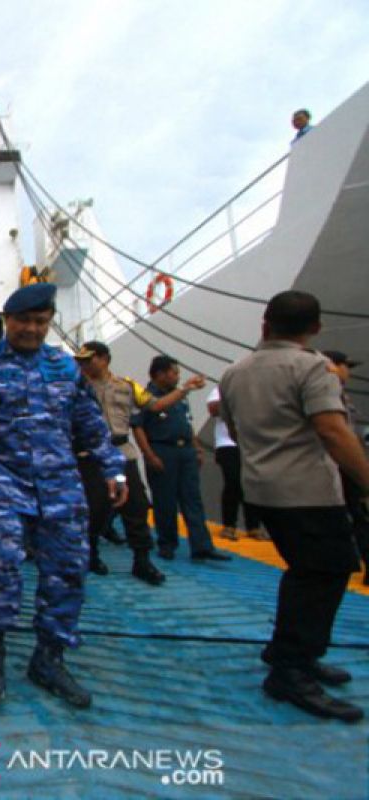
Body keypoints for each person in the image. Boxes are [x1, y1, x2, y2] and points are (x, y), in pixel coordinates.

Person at [0, 284, 126, 710]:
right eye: (24, 321)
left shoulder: (64, 366)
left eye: (41, 322)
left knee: (69, 568)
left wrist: (113, 465)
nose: (32, 329)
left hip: (59, 482)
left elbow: (89, 421)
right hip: (1, 478)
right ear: (7, 319)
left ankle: (49, 658)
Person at [220, 291, 369, 723]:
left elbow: (233, 427)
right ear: (316, 329)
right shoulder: (312, 367)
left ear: (264, 324)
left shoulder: (234, 373)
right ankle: (291, 667)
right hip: (307, 491)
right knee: (329, 570)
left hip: (262, 489)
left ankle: (289, 653)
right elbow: (333, 431)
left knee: (306, 571)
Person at [72, 341, 166, 585]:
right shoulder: (76, 387)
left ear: (104, 359)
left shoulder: (126, 386)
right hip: (90, 454)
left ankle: (142, 560)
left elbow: (155, 406)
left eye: (89, 359)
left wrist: (184, 390)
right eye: (80, 360)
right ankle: (90, 553)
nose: (83, 364)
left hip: (123, 451)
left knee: (136, 505)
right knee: (94, 507)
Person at [135, 355, 230, 562]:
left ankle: (202, 546)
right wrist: (149, 454)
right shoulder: (145, 395)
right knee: (165, 501)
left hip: (184, 450)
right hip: (162, 450)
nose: (178, 377)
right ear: (160, 374)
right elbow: (138, 427)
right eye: (174, 373)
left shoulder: (179, 396)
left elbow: (187, 423)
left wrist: (196, 449)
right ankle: (167, 544)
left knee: (192, 499)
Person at [322, 350, 369, 582]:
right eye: (346, 365)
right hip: (338, 464)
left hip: (339, 463)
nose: (348, 371)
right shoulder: (326, 393)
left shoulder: (339, 394)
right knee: (358, 516)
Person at [207, 385, 268, 542]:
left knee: (252, 484)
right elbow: (213, 409)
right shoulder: (222, 388)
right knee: (233, 482)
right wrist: (237, 398)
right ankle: (229, 525)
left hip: (251, 444)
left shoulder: (257, 389)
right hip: (227, 444)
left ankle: (253, 526)